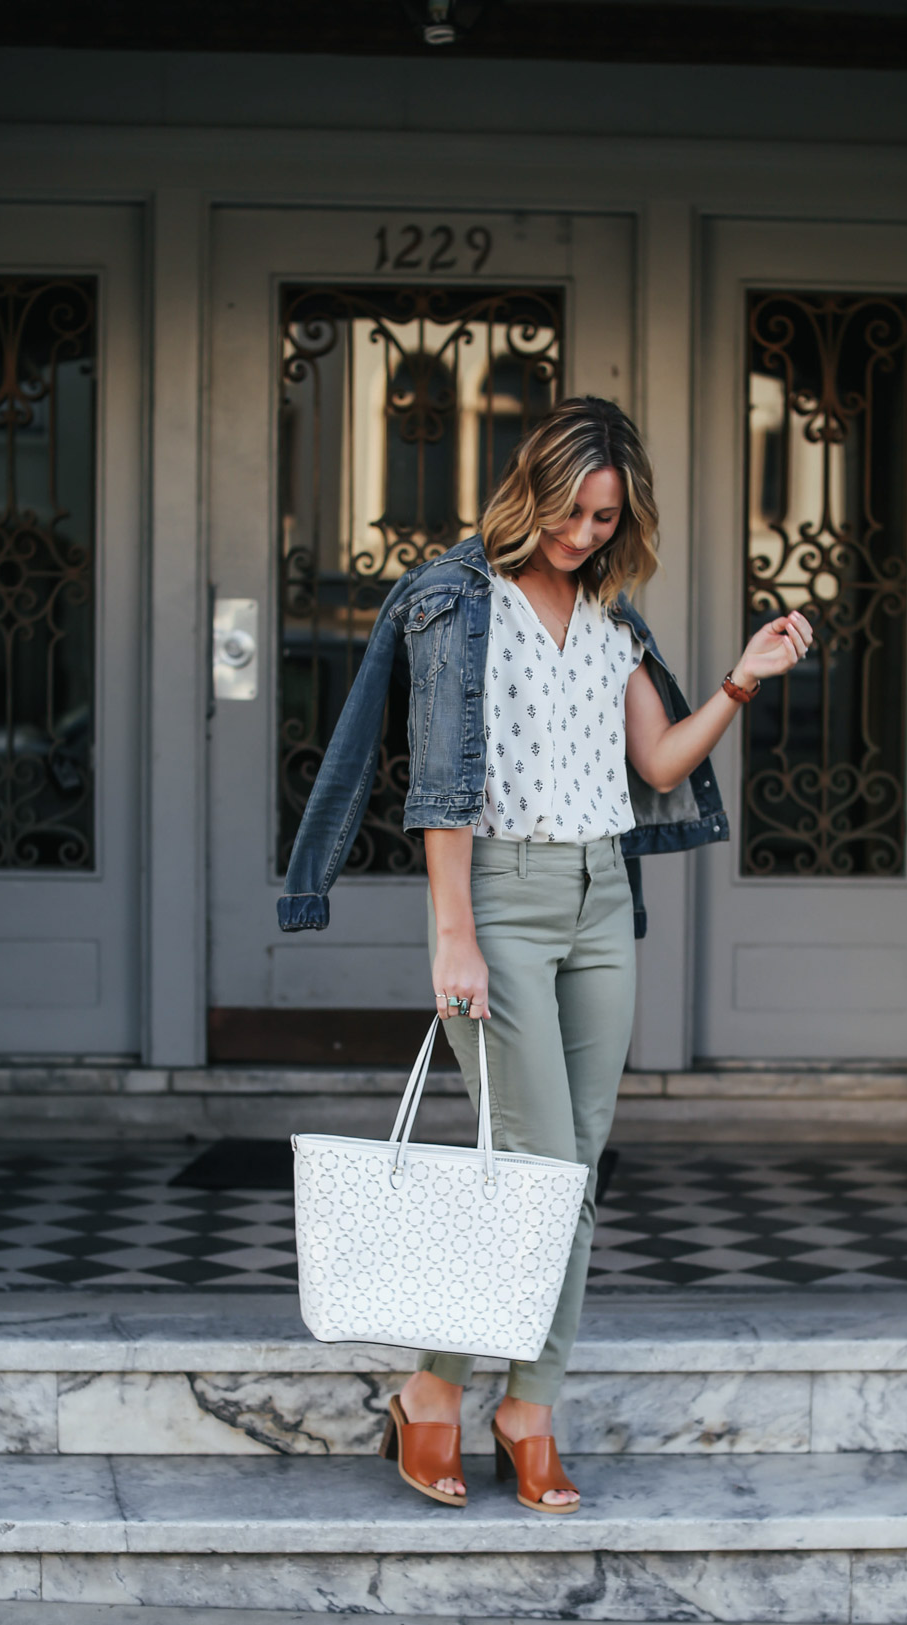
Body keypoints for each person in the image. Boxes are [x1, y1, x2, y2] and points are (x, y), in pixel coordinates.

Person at [279, 395, 811, 1512]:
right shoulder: (454, 602)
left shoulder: (613, 614)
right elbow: (442, 788)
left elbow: (659, 765)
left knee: (574, 1166)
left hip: (601, 897)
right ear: (533, 489)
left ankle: (512, 1402)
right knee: (534, 1165)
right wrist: (454, 935)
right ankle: (449, 1395)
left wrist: (741, 678)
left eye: (606, 518)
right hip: (503, 903)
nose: (583, 535)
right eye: (571, 513)